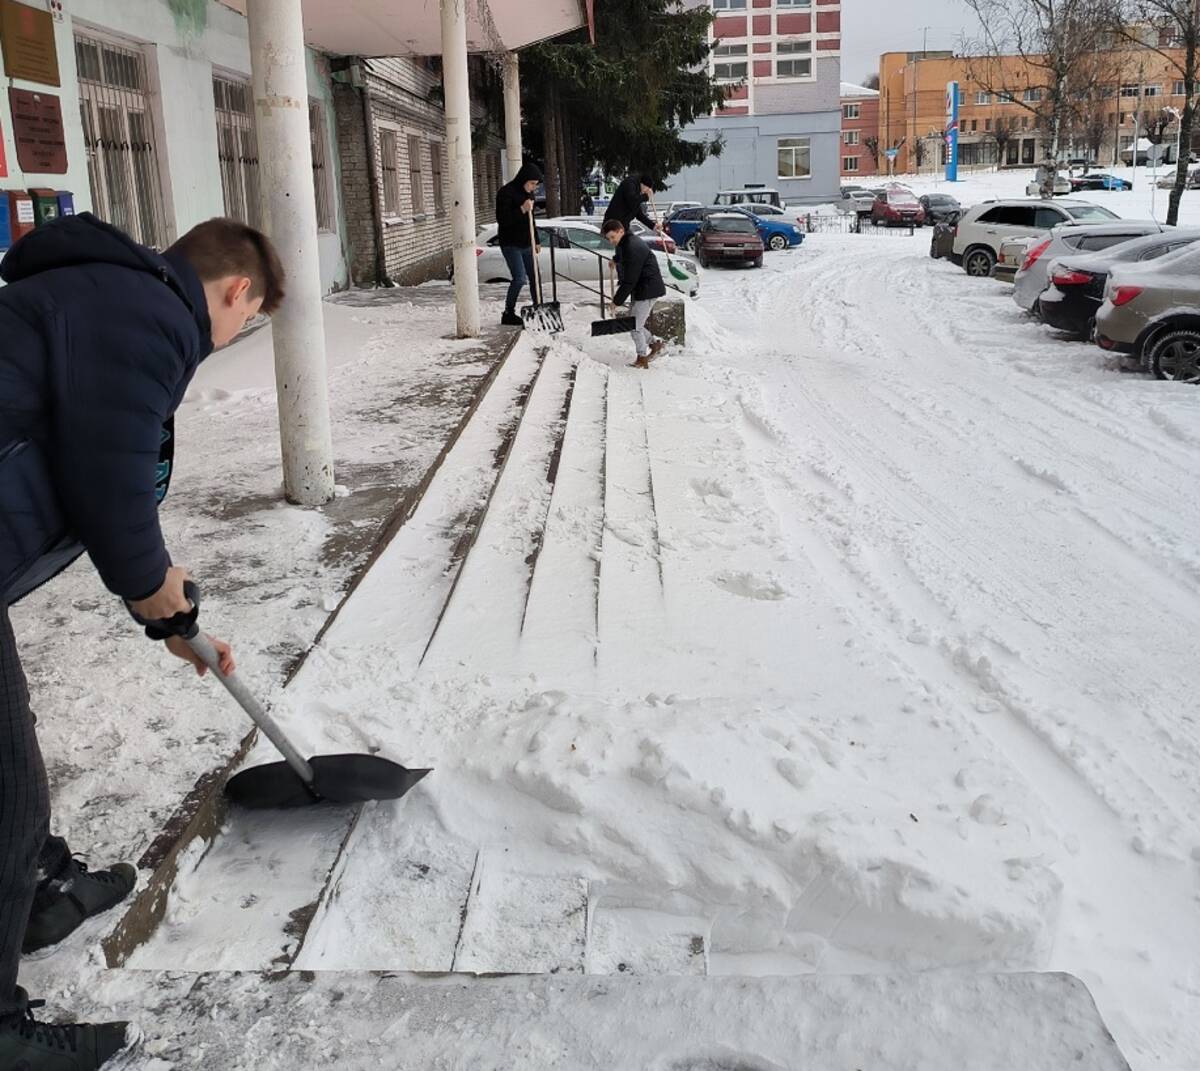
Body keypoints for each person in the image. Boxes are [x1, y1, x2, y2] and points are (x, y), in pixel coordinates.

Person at [0, 212, 284, 1069]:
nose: (237, 332)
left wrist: (163, 609)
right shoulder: (148, 314)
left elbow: (98, 468)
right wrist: (152, 587)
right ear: (235, 290)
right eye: (251, 315)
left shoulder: (110, 295)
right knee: (4, 779)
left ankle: (40, 888)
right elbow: (110, 480)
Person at [601, 218, 667, 369]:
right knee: (633, 323)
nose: (611, 241)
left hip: (648, 289)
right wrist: (615, 260)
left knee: (634, 326)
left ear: (621, 231)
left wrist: (616, 301)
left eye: (613, 237)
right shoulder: (626, 242)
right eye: (608, 238)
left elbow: (630, 280)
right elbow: (622, 253)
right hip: (643, 288)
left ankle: (642, 359)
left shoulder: (631, 246)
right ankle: (656, 344)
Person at [494, 162, 544, 327]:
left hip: (527, 243)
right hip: (510, 244)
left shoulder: (529, 195)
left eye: (535, 185)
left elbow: (532, 221)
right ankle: (508, 312)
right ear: (523, 179)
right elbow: (503, 220)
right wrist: (522, 209)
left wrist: (536, 240)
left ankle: (539, 308)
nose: (533, 188)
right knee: (520, 278)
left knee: (535, 277)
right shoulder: (506, 193)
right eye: (531, 184)